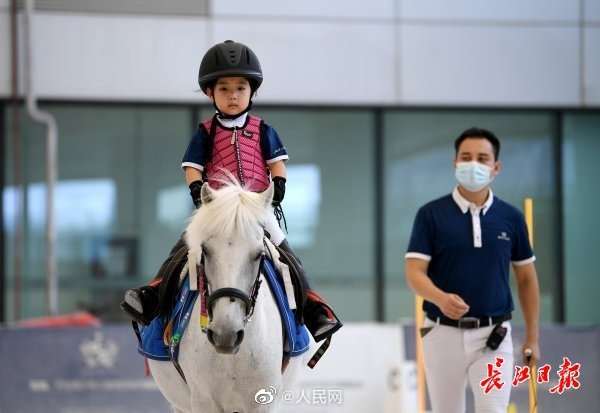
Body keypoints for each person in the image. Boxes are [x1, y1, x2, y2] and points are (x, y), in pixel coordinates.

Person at [120, 40, 342, 343]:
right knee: (182, 252)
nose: (233, 95)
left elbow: (277, 163)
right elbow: (192, 167)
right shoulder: (205, 131)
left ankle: (314, 310)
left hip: (255, 209)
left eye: (240, 88)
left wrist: (279, 185)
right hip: (218, 210)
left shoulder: (264, 129)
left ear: (252, 92)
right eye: (224, 89)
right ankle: (152, 296)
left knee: (288, 259)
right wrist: (197, 188)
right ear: (209, 93)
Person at [405, 127, 541, 413]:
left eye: (482, 158)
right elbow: (414, 272)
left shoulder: (511, 218)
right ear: (455, 163)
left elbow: (527, 280)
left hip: (494, 336)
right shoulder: (431, 215)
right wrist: (440, 297)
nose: (474, 164)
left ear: (496, 167)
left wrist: (532, 338)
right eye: (466, 157)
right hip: (441, 334)